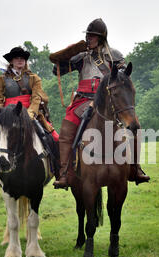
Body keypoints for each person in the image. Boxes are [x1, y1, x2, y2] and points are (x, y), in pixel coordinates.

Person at [52, 18, 149, 189]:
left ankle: (135, 167)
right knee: (67, 129)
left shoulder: (115, 55)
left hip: (109, 99)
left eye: (93, 36)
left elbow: (123, 75)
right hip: (83, 99)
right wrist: (69, 53)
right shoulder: (81, 57)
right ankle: (65, 172)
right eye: (88, 35)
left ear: (101, 37)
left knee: (134, 125)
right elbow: (57, 70)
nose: (89, 38)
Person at [0, 47, 58, 191]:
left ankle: (58, 172)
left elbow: (36, 97)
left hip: (30, 114)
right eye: (17, 58)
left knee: (54, 139)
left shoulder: (34, 78)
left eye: (22, 57)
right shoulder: (2, 79)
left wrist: (29, 114)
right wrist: (4, 115)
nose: (20, 60)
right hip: (7, 116)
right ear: (11, 61)